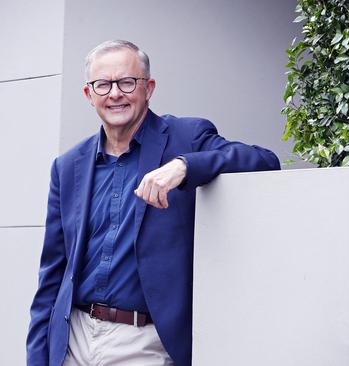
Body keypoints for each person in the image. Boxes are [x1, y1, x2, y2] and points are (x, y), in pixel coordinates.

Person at [26, 40, 280, 366]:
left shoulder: (185, 136)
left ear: (149, 88)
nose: (115, 93)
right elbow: (51, 277)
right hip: (72, 339)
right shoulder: (68, 166)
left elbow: (264, 160)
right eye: (103, 84)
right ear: (89, 95)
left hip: (143, 342)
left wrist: (186, 166)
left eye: (127, 82)